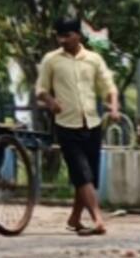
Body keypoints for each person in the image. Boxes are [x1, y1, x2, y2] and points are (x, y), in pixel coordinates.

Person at [35, 16, 120, 237]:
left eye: (67, 35)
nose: (62, 40)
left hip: (91, 123)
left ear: (78, 36)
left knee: (89, 176)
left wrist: (113, 107)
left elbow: (108, 87)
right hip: (66, 125)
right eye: (59, 36)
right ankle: (98, 219)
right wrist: (51, 102)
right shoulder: (51, 60)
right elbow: (41, 89)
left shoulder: (93, 59)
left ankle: (74, 218)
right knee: (82, 174)